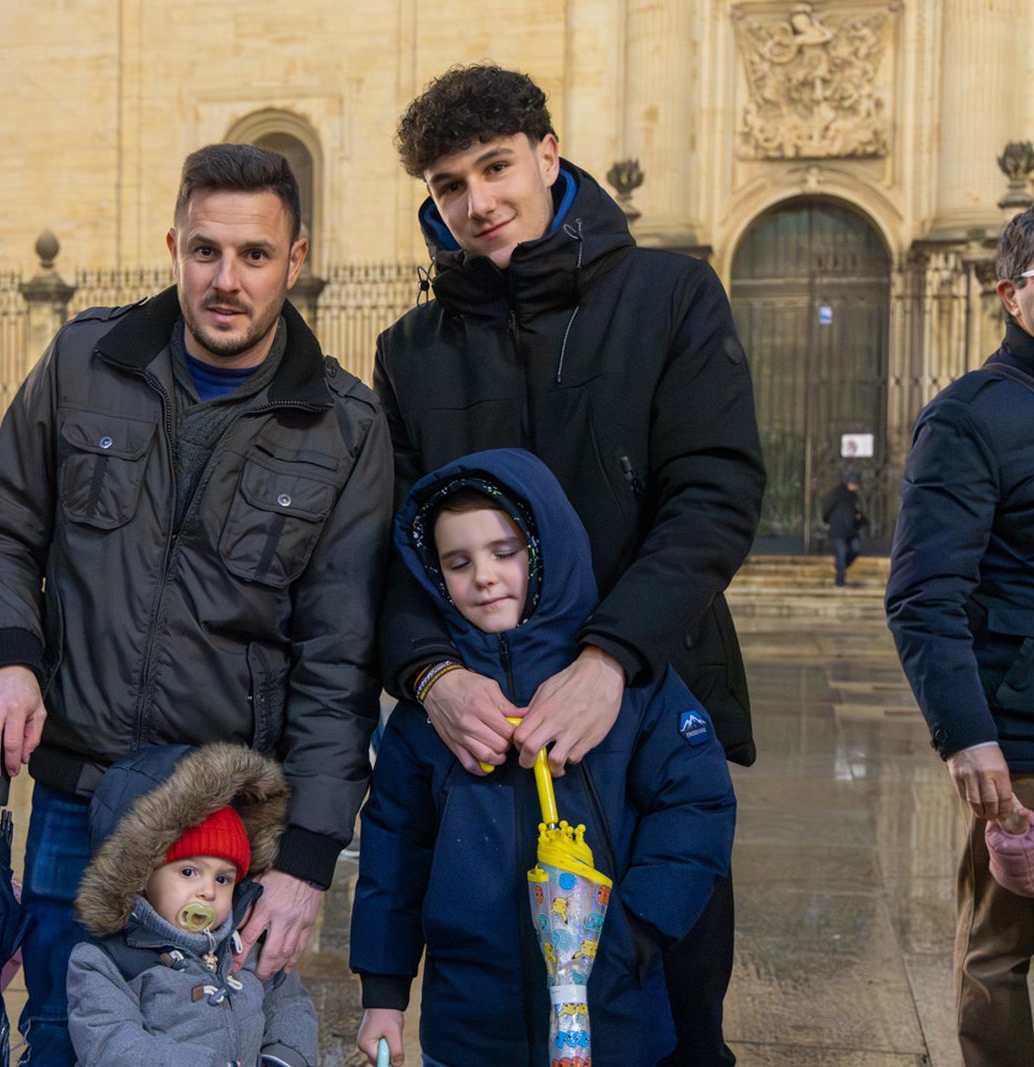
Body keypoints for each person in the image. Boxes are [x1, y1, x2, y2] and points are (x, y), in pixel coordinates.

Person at [0, 143, 393, 1065]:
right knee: (61, 1034)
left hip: (221, 823)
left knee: (210, 1043)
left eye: (254, 255)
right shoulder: (83, 361)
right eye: (205, 251)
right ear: (174, 247)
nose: (226, 280)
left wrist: (307, 860)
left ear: (295, 260)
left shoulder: (344, 428)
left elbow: (339, 660)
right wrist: (4, 654)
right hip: (77, 790)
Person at [372, 64, 764, 1063]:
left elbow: (714, 491)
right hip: (487, 745)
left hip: (649, 712)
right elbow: (392, 547)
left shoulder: (669, 295)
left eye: (496, 167)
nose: (478, 201)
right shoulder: (411, 350)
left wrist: (608, 658)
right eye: (450, 184)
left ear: (548, 155)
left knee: (672, 1020)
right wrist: (431, 674)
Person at [351, 449, 736, 1066]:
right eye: (458, 562)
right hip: (470, 1028)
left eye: (504, 552)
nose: (484, 577)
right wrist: (384, 991)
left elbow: (696, 805)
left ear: (545, 549)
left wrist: (636, 930)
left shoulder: (631, 687)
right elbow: (394, 850)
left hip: (617, 1018)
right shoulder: (431, 715)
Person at [887, 201, 1034, 1066]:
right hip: (1027, 741)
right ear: (1009, 294)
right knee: (997, 957)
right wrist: (967, 735)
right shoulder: (970, 415)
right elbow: (923, 594)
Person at [65, 743, 318, 1066]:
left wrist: (283, 1057)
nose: (208, 891)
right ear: (143, 876)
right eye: (188, 872)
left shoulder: (246, 949)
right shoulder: (105, 963)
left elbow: (289, 1004)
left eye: (223, 878)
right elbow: (112, 1043)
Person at [821, 470, 867, 587]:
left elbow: (857, 511)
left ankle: (840, 568)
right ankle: (840, 581)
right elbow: (827, 508)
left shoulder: (854, 496)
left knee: (855, 548)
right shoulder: (836, 494)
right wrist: (827, 521)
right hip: (838, 530)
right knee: (841, 553)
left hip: (851, 530)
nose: (855, 486)